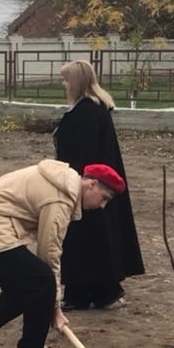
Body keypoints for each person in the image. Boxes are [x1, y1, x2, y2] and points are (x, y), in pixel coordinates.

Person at [0, 160, 126, 348]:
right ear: (92, 184)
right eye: (104, 198)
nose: (102, 205)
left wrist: (52, 303)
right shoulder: (60, 198)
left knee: (20, 291)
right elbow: (49, 252)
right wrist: (55, 306)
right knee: (41, 282)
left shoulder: (63, 183)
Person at [54, 60, 143, 310]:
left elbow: (82, 152)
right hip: (91, 184)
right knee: (94, 238)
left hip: (87, 186)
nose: (64, 84)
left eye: (66, 80)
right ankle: (98, 292)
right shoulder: (91, 110)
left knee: (85, 237)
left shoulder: (87, 113)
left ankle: (86, 294)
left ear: (77, 82)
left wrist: (75, 183)